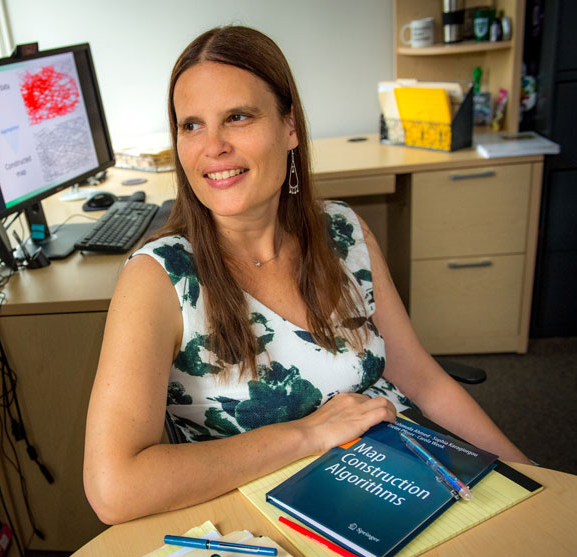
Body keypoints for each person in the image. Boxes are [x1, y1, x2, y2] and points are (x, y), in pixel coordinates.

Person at [83, 25, 529, 525]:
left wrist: (529, 475)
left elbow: (421, 379)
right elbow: (113, 488)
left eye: (238, 117)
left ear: (289, 127)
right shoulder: (159, 279)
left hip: (403, 478)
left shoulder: (343, 231)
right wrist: (309, 434)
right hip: (271, 524)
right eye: (192, 125)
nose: (213, 147)